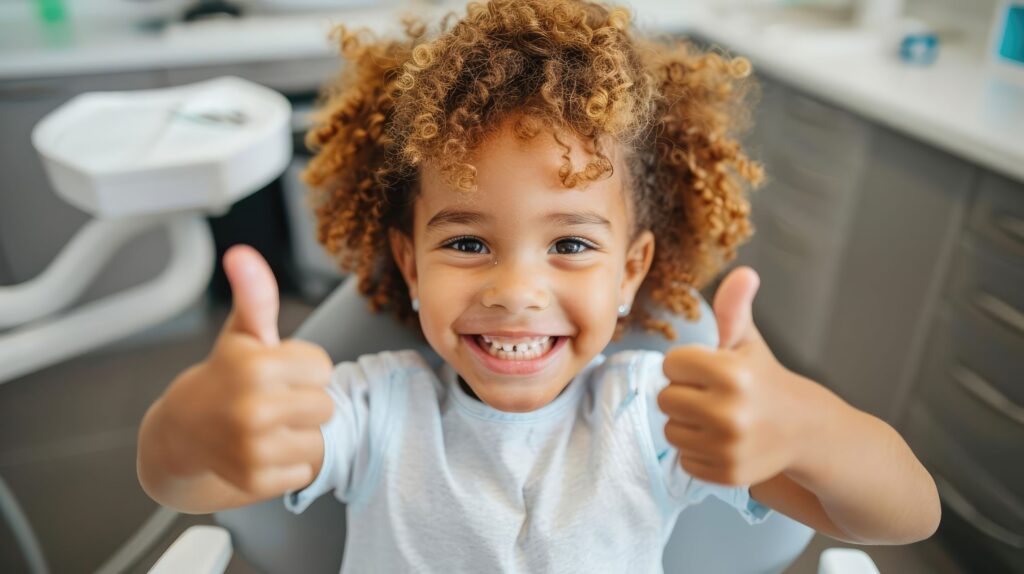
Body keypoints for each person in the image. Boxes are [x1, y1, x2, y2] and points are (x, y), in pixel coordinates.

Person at [136, 0, 941, 571]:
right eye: (465, 240)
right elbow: (187, 479)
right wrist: (196, 425)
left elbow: (906, 517)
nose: (517, 288)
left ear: (631, 271)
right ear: (411, 265)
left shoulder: (662, 419)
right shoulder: (373, 413)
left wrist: (808, 428)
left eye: (568, 242)